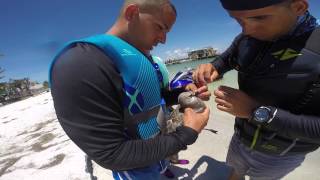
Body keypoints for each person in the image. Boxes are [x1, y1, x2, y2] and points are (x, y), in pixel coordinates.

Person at [49, 0, 211, 179]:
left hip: (158, 152)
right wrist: (186, 134)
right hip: (134, 169)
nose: (164, 39)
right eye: (159, 27)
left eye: (167, 32)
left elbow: (150, 98)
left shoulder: (139, 57)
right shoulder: (79, 64)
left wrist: (181, 94)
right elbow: (110, 154)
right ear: (132, 13)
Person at [193, 0, 320, 179]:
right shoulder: (245, 39)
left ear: (299, 7)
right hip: (240, 138)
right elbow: (225, 61)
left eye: (259, 17)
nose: (246, 30)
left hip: (281, 155)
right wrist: (211, 69)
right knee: (235, 171)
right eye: (238, 20)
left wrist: (256, 111)